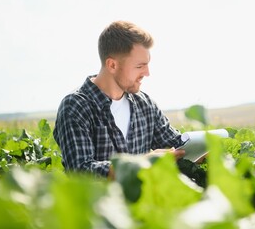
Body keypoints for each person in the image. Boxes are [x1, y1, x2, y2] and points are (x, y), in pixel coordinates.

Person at [53, 20, 185, 179]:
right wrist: (141, 163)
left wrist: (212, 144)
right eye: (139, 66)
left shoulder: (145, 104)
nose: (147, 73)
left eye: (147, 65)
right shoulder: (76, 106)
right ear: (112, 65)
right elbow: (81, 171)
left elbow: (176, 144)